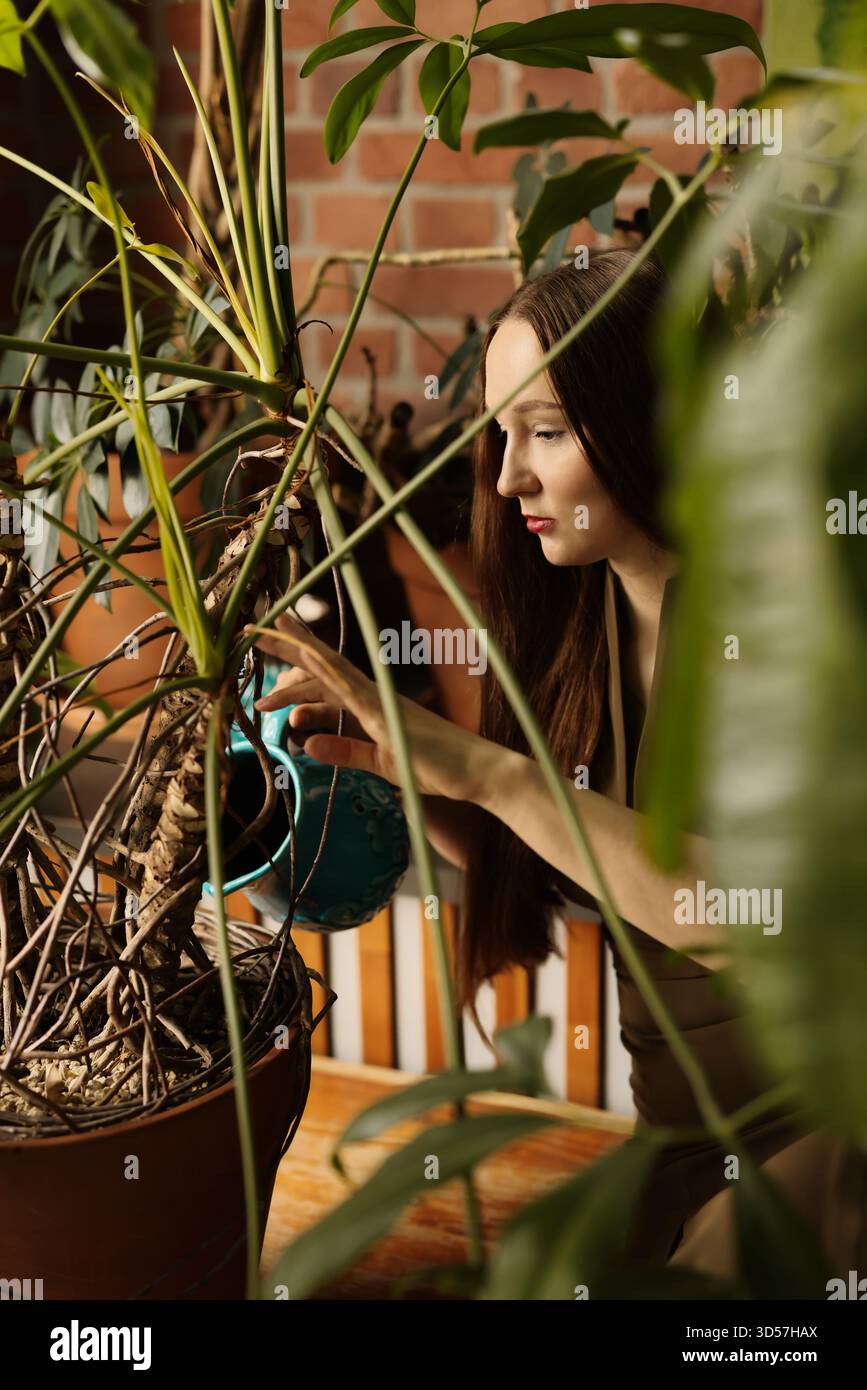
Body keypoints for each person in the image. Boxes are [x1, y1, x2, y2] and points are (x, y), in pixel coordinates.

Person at [250, 249, 866, 1288]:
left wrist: (488, 773)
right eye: (500, 434)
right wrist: (398, 769)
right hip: (681, 1145)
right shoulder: (585, 628)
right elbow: (554, 866)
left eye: (545, 432)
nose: (506, 477)